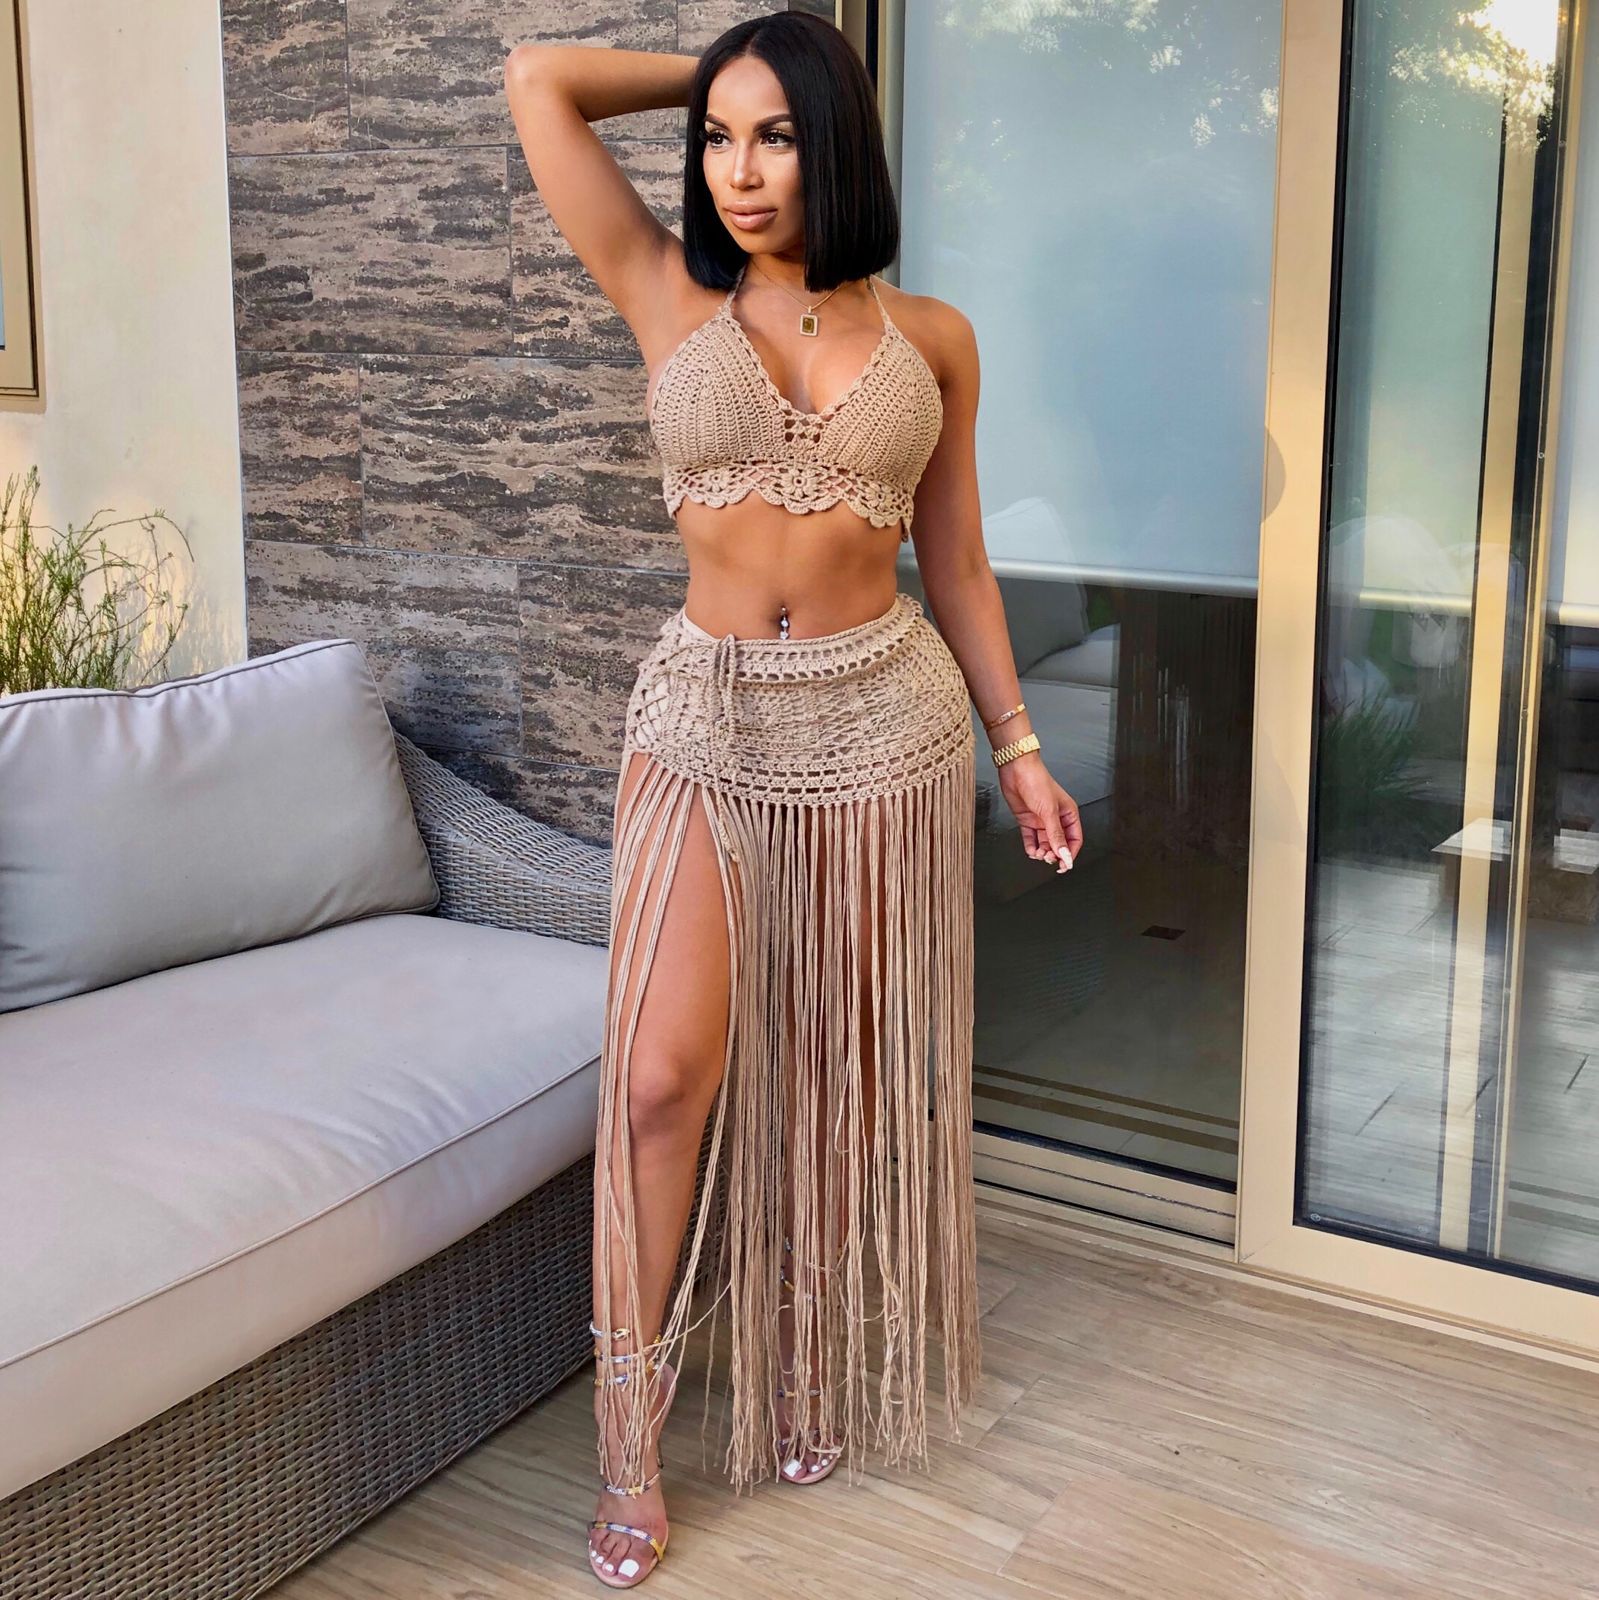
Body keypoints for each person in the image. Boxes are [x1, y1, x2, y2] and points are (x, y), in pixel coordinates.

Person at [504, 13, 1082, 1589]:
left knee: (834, 1085)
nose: (737, 170)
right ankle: (631, 1436)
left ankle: (804, 1363)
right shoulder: (663, 288)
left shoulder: (935, 338)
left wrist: (1020, 746)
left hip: (884, 726)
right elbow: (540, 80)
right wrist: (713, 65)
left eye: (773, 134)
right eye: (717, 137)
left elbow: (957, 562)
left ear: (834, 141)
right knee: (658, 1082)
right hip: (702, 719)